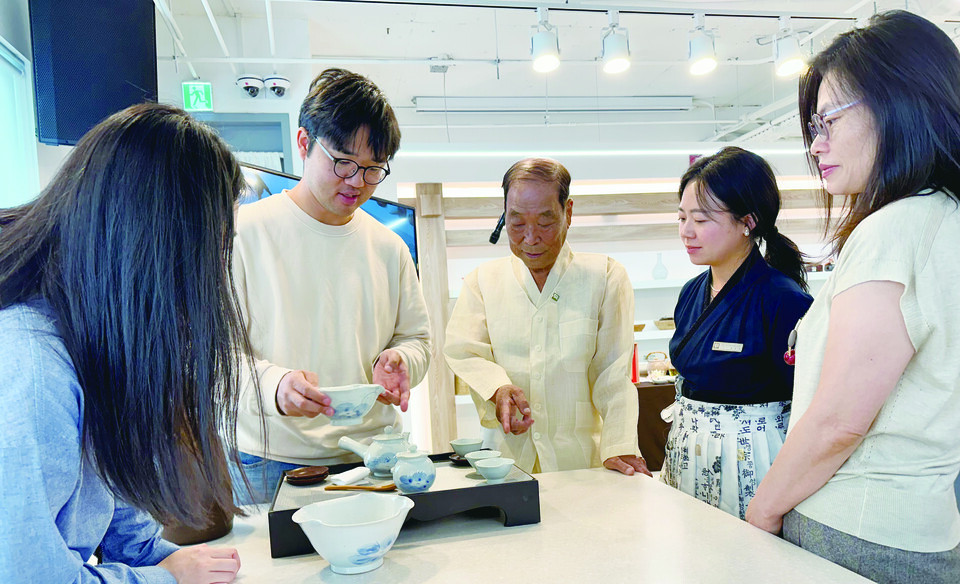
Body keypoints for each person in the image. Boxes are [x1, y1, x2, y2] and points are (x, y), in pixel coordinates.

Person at [0, 104, 244, 584]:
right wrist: (164, 583)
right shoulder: (32, 372)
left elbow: (109, 499)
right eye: (209, 254)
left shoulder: (82, 339)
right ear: (156, 252)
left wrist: (159, 558)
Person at [746, 10, 960, 584]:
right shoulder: (945, 218)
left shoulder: (894, 229)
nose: (816, 146)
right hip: (925, 527)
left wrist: (763, 511)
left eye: (827, 122)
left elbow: (840, 419)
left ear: (899, 105)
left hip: (855, 528)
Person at [232, 68, 431, 503]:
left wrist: (402, 361)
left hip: (374, 458)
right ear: (304, 143)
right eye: (342, 162)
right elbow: (212, 358)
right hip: (270, 459)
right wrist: (275, 387)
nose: (357, 182)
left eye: (373, 169)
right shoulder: (243, 233)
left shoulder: (389, 246)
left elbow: (417, 339)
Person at [444, 158, 648, 476]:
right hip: (507, 464)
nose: (530, 237)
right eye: (517, 223)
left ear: (567, 213)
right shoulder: (482, 281)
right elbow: (463, 350)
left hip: (582, 465)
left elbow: (612, 373)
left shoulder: (605, 276)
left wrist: (619, 446)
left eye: (545, 221)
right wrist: (497, 388)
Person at [663, 147, 812, 519]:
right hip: (690, 455)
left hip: (752, 463)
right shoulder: (691, 292)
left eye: (700, 219)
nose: (686, 231)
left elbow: (807, 404)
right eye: (682, 218)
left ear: (748, 220)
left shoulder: (783, 300)